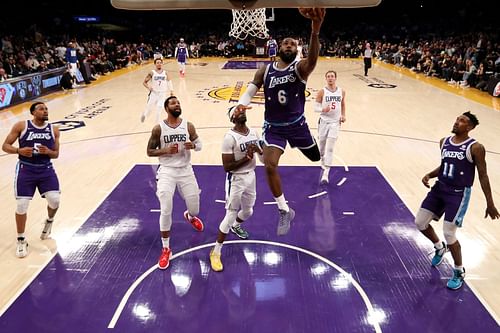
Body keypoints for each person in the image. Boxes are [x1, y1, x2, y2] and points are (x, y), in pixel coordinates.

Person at [235, 8, 325, 236]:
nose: (288, 46)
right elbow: (251, 89)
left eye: (292, 45)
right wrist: (242, 102)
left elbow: (313, 60)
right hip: (274, 128)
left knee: (316, 158)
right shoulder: (265, 71)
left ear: (297, 50)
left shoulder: (299, 69)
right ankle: (284, 209)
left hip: (297, 126)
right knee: (269, 164)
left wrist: (315, 31)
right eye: (285, 44)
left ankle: (300, 143)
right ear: (277, 48)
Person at [414, 111, 499, 290]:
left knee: (449, 233)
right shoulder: (444, 141)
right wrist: (430, 174)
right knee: (420, 222)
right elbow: (445, 165)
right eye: (457, 119)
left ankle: (459, 270)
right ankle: (439, 247)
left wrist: (490, 203)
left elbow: (483, 175)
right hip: (439, 188)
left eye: (461, 121)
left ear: (469, 127)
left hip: (458, 194)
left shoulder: (475, 147)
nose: (457, 122)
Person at [146, 96, 204, 270]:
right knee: (166, 208)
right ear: (166, 108)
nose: (177, 104)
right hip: (167, 171)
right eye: (173, 103)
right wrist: (165, 150)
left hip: (186, 170)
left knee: (195, 208)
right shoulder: (158, 129)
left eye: (178, 102)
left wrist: (193, 146)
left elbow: (200, 144)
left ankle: (190, 216)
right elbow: (149, 151)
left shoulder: (188, 125)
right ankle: (166, 248)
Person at [2, 102, 61, 258]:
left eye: (46, 108)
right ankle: (21, 239)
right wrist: (18, 150)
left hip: (45, 169)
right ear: (33, 113)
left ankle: (49, 221)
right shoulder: (21, 126)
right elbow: (5, 146)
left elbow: (56, 154)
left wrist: (49, 151)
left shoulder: (54, 129)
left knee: (55, 201)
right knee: (22, 205)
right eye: (41, 109)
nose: (45, 111)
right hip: (26, 169)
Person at [209, 106, 263, 272]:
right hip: (236, 178)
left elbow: (262, 158)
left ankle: (235, 226)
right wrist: (247, 158)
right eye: (237, 112)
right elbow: (227, 166)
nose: (241, 113)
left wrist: (259, 150)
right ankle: (215, 252)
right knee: (230, 214)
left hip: (251, 176)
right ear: (232, 118)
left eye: (242, 111)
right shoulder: (229, 138)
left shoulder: (254, 133)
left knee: (248, 212)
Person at [315, 70, 346, 184]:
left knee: (330, 148)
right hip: (323, 121)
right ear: (326, 78)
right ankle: (323, 160)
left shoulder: (341, 91)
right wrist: (323, 109)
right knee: (322, 147)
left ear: (335, 78)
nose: (330, 78)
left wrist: (343, 115)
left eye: (332, 76)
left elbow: (342, 104)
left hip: (335, 123)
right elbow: (315, 108)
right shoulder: (322, 92)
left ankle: (326, 173)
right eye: (328, 76)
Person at [141, 58, 174, 123]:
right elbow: (144, 82)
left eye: (160, 63)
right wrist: (148, 87)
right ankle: (145, 115)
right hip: (154, 93)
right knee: (149, 108)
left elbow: (169, 81)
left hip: (162, 93)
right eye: (157, 63)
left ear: (162, 64)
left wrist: (171, 90)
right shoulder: (152, 72)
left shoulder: (165, 73)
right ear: (155, 64)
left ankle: (157, 122)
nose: (159, 64)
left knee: (160, 108)